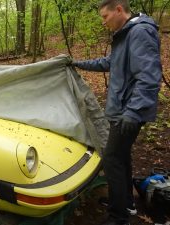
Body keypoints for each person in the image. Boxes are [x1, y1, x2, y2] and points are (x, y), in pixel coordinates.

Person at [72, 0, 162, 225]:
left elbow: (149, 77)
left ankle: (118, 216)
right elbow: (109, 62)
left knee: (112, 158)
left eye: (105, 17)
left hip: (128, 111)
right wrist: (77, 63)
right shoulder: (125, 34)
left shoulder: (139, 32)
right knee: (121, 156)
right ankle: (126, 204)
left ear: (119, 10)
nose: (103, 22)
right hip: (122, 109)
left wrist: (133, 112)